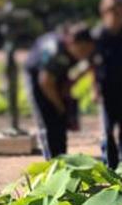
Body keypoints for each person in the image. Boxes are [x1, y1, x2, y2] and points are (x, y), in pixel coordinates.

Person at [24, 23, 95, 159]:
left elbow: (90, 64)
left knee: (61, 122)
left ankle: (62, 157)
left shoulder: (84, 48)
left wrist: (72, 82)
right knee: (48, 119)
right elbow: (45, 82)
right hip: (38, 75)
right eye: (82, 50)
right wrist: (60, 106)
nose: (85, 54)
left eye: (88, 50)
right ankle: (52, 163)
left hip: (59, 73)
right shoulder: (56, 52)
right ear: (71, 43)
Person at [92, 0, 122, 167]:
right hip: (106, 86)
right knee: (108, 129)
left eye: (120, 13)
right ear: (104, 13)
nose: (116, 17)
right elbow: (93, 64)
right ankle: (111, 165)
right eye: (112, 12)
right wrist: (95, 88)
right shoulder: (100, 35)